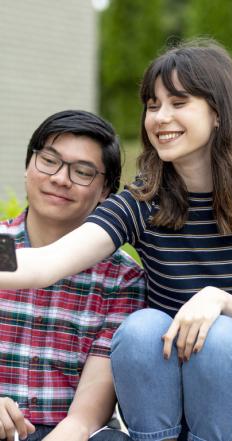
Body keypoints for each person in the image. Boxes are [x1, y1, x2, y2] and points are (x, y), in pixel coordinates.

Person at [0, 40, 232, 441]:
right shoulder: (144, 201)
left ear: (218, 112)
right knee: (141, 329)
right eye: (153, 105)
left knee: (220, 337)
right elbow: (46, 262)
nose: (161, 118)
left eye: (178, 102)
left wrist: (219, 301)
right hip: (168, 397)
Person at [0, 110, 146, 441]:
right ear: (28, 165)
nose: (60, 179)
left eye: (82, 172)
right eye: (49, 161)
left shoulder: (121, 277)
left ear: (106, 191)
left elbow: (86, 417)